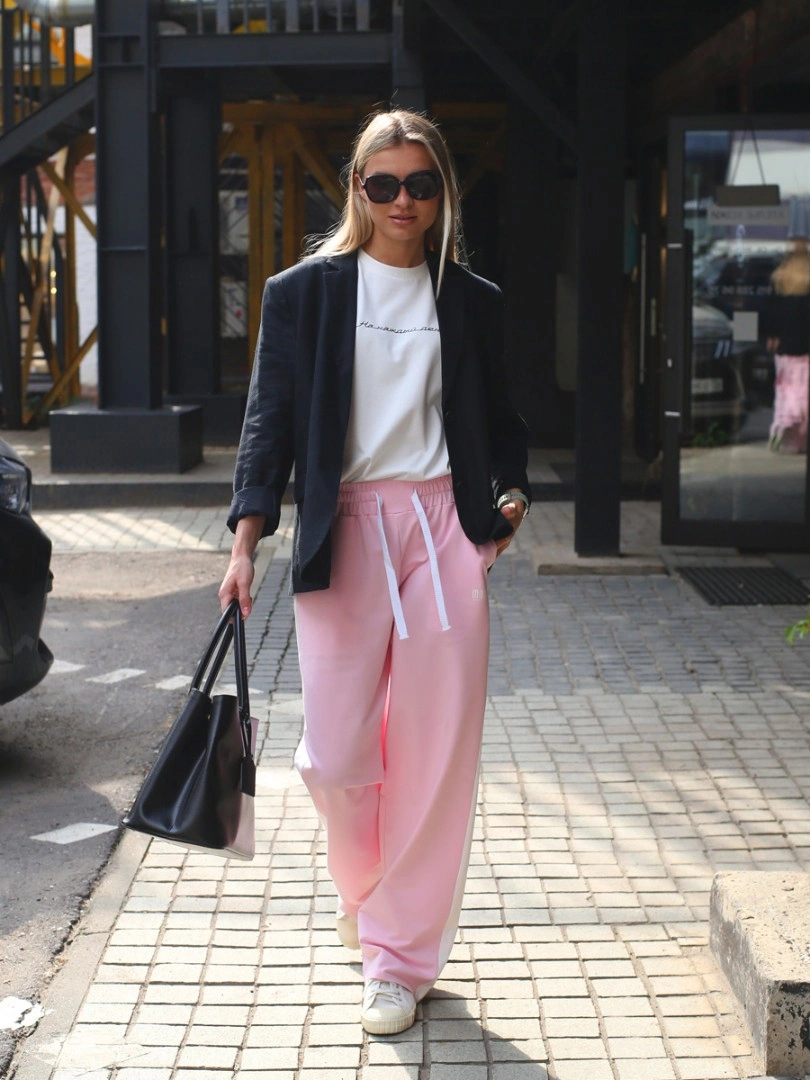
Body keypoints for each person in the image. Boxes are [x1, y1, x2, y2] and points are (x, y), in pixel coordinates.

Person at [218, 108, 530, 1036]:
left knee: (434, 758)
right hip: (346, 532)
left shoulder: (472, 299)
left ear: (441, 193)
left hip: (441, 533)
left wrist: (507, 506)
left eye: (420, 184)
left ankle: (397, 961)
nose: (403, 201)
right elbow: (268, 423)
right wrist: (245, 543)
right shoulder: (303, 294)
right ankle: (366, 890)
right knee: (337, 756)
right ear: (356, 188)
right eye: (383, 183)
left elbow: (503, 424)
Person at [763, 239, 810, 453]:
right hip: (804, 346)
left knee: (785, 388)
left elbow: (769, 313)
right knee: (803, 388)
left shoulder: (780, 278)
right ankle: (798, 433)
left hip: (784, 347)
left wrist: (771, 336)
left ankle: (782, 424)